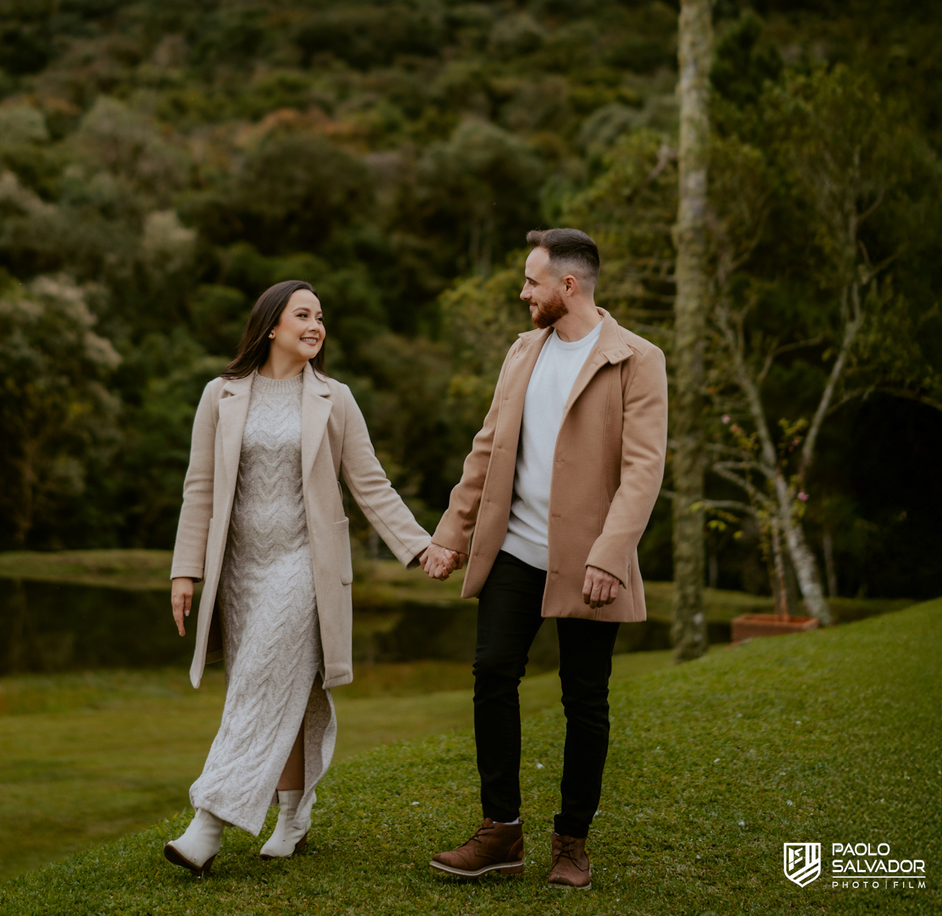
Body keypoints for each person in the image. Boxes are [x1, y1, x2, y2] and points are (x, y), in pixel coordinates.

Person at [421, 228, 667, 889]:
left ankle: (572, 844)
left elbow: (643, 472)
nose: (522, 292)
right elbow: (487, 446)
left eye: (531, 282)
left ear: (568, 285)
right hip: (515, 552)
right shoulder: (522, 351)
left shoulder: (637, 359)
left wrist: (611, 555)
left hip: (592, 564)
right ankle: (500, 831)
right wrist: (451, 533)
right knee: (492, 673)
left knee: (585, 700)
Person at [164, 279, 434, 877]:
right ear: (271, 325)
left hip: (302, 568)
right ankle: (293, 816)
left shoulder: (334, 399)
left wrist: (420, 549)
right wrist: (186, 571)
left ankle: (206, 826)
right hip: (238, 573)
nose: (316, 325)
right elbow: (200, 488)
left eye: (321, 317)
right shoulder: (221, 394)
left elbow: (371, 485)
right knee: (283, 691)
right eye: (303, 314)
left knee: (256, 686)